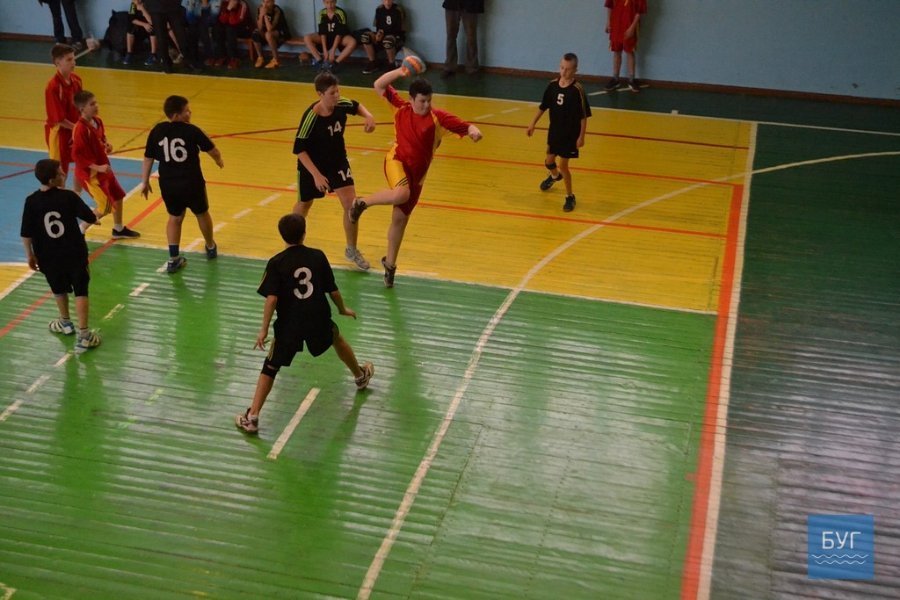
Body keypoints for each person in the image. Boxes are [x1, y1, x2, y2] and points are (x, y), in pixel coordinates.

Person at [235, 214, 374, 435]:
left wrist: (263, 329)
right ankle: (359, 376)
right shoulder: (317, 256)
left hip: (289, 325)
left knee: (270, 367)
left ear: (282, 235)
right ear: (304, 233)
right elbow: (333, 290)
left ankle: (252, 417)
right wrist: (342, 309)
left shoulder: (277, 263)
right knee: (336, 338)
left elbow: (272, 299)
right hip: (317, 318)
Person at [348, 66, 483, 288]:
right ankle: (361, 202)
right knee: (401, 194)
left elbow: (466, 126)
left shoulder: (438, 118)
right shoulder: (400, 108)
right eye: (422, 101)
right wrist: (401, 71)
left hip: (417, 178)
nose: (426, 105)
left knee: (399, 219)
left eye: (429, 100)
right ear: (411, 100)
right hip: (396, 162)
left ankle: (390, 265)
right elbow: (379, 84)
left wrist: (473, 131)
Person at [293, 72, 376, 271]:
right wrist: (316, 175)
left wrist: (369, 116)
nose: (337, 96)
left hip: (337, 162)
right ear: (320, 94)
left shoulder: (341, 104)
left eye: (338, 91)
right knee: (305, 204)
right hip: (312, 165)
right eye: (332, 93)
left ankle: (351, 250)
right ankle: (293, 245)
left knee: (351, 206)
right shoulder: (311, 117)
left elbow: (356, 105)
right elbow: (299, 150)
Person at [20, 159, 101, 354]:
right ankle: (84, 335)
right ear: (52, 180)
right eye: (60, 173)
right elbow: (90, 217)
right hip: (74, 253)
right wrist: (96, 216)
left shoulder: (31, 201)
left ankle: (65, 323)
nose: (64, 174)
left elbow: (26, 233)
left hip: (47, 255)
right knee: (81, 290)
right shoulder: (68, 196)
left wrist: (30, 255)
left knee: (58, 288)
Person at [140, 95, 223, 274]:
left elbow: (148, 157)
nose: (190, 113)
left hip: (169, 184)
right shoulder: (192, 131)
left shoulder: (158, 130)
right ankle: (210, 246)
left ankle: (173, 258)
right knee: (201, 213)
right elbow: (213, 150)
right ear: (177, 115)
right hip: (192, 182)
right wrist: (219, 160)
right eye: (186, 111)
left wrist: (145, 181)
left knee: (175, 218)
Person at [71, 90, 141, 239]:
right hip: (91, 175)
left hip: (104, 169)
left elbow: (101, 139)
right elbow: (77, 156)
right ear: (82, 109)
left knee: (118, 195)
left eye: (96, 102)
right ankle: (80, 229)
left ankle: (118, 229)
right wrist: (97, 167)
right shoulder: (80, 129)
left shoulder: (98, 121)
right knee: (106, 207)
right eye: (92, 104)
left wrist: (107, 145)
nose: (96, 106)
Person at [526, 53, 591, 213]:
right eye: (562, 68)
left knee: (563, 165)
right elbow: (543, 107)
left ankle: (570, 196)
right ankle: (555, 176)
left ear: (575, 70)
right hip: (554, 131)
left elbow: (583, 116)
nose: (564, 72)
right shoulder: (552, 86)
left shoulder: (577, 90)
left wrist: (581, 137)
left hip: (570, 134)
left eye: (568, 69)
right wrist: (532, 123)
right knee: (549, 162)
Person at [44, 43, 82, 190]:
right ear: (57, 62)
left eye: (73, 59)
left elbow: (81, 107)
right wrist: (78, 128)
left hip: (74, 130)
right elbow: (59, 120)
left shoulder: (77, 80)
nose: (73, 62)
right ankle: (58, 198)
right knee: (60, 173)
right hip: (59, 134)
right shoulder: (53, 87)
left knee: (82, 165)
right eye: (69, 59)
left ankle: (76, 197)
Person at [604, 0, 647, 92]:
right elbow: (610, 5)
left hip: (629, 25)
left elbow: (639, 12)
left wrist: (632, 27)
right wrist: (608, 22)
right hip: (616, 24)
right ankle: (615, 79)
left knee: (629, 51)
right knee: (616, 51)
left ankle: (631, 80)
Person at [303, 0, 356, 72]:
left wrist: (332, 51)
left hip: (339, 37)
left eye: (332, 2)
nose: (330, 5)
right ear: (324, 3)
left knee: (352, 42)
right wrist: (325, 50)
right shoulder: (322, 13)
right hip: (327, 37)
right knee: (307, 37)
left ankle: (334, 64)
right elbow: (323, 33)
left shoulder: (340, 13)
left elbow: (339, 33)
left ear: (335, 2)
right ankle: (320, 62)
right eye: (327, 3)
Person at [359, 0, 406, 75]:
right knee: (365, 37)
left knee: (388, 41)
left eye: (389, 0)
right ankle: (373, 62)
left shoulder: (398, 10)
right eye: (385, 0)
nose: (387, 2)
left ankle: (392, 64)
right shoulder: (379, 9)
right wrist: (379, 34)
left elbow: (400, 30)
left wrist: (385, 34)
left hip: (396, 36)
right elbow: (378, 26)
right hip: (382, 34)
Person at [143, 0, 191, 72]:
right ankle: (166, 65)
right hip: (156, 7)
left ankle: (188, 60)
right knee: (161, 37)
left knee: (181, 34)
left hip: (173, 6)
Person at [442, 0, 484, 77]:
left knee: (471, 37)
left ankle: (472, 68)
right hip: (452, 4)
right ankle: (449, 67)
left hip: (471, 5)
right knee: (451, 36)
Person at [251, 0, 290, 69]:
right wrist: (261, 15)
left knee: (268, 34)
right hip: (267, 32)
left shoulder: (277, 10)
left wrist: (265, 15)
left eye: (268, 2)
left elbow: (270, 28)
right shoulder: (260, 8)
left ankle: (276, 60)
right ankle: (260, 57)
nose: (265, 4)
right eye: (263, 1)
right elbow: (259, 27)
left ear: (273, 2)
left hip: (281, 32)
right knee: (255, 33)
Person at [213, 0, 253, 69]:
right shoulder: (224, 3)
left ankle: (234, 58)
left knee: (230, 29)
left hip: (243, 29)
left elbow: (234, 22)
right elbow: (222, 20)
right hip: (229, 27)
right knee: (217, 28)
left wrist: (232, 9)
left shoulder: (243, 4)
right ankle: (222, 56)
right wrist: (228, 9)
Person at [122, 0, 160, 66]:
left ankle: (153, 55)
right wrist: (144, 25)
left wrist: (143, 9)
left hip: (149, 29)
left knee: (152, 27)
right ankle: (129, 53)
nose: (137, 1)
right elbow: (131, 19)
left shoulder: (150, 3)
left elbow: (152, 21)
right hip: (141, 29)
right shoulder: (133, 5)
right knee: (130, 27)